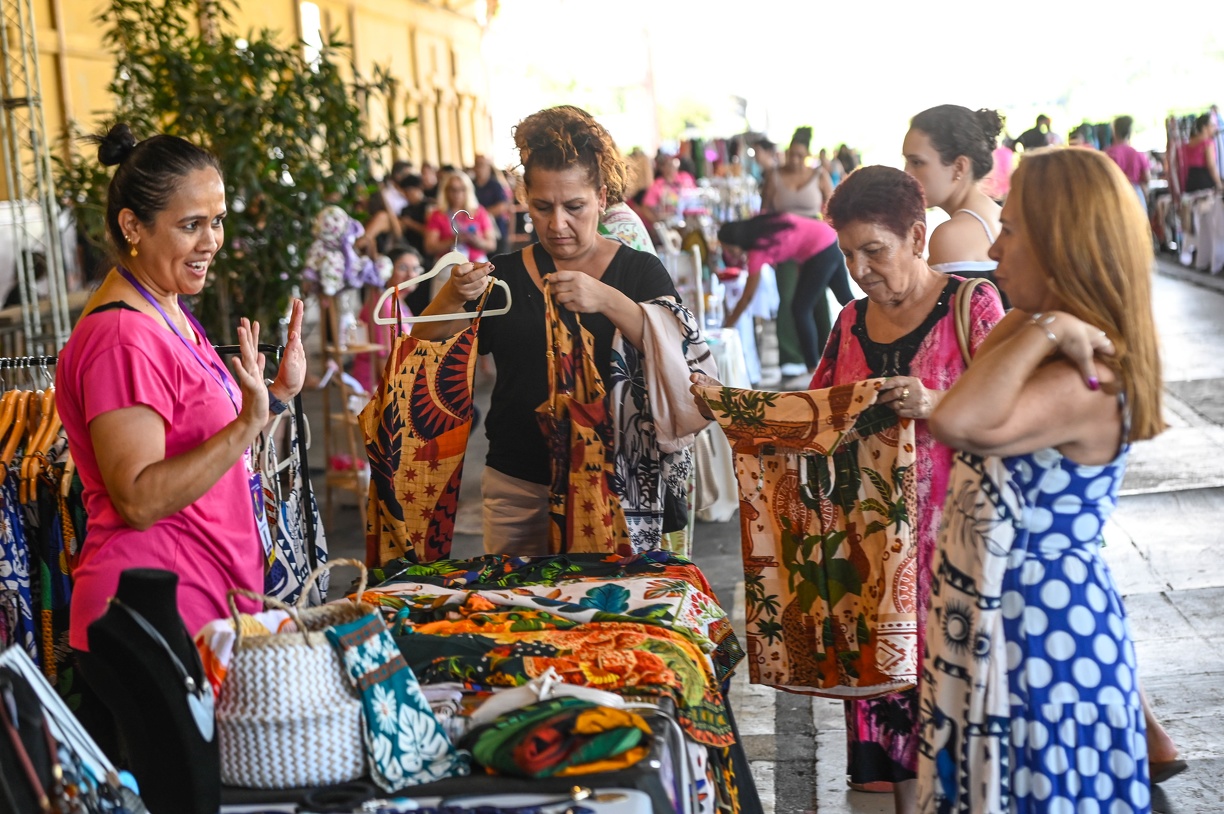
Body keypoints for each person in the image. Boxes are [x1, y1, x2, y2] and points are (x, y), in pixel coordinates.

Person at [918, 147, 1164, 813]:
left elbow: (954, 416)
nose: (995, 245)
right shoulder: (1045, 339)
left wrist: (1051, 319)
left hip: (1044, 631)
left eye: (1014, 228)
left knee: (1039, 789)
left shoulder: (1089, 376)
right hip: (1020, 616)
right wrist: (1041, 314)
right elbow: (972, 382)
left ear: (1062, 247)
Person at [56, 123, 307, 652]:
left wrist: (275, 396)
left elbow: (199, 445)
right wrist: (246, 424)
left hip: (199, 599)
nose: (211, 241)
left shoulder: (164, 302)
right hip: (158, 611)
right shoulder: (121, 336)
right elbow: (139, 499)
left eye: (216, 221)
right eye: (191, 225)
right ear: (133, 225)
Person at [810, 166, 1005, 813]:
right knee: (882, 759)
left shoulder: (970, 306)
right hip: (871, 582)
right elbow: (810, 419)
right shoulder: (847, 323)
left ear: (917, 237)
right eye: (848, 253)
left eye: (875, 250)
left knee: (948, 754)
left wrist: (934, 402)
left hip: (952, 571)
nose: (861, 268)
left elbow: (1008, 412)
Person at [410, 105, 682, 553]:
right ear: (524, 199)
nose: (558, 224)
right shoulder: (504, 277)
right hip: (517, 483)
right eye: (542, 207)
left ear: (601, 196)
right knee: (519, 616)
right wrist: (452, 296)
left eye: (574, 206)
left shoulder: (639, 272)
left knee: (611, 615)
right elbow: (419, 353)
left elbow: (678, 352)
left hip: (618, 484)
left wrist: (607, 300)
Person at [716, 212, 851, 378]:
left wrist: (728, 325)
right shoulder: (764, 225)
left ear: (738, 241)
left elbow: (747, 297)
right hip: (829, 238)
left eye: (729, 249)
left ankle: (812, 367)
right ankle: (858, 346)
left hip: (822, 248)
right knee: (846, 299)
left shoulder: (757, 250)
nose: (730, 255)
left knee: (800, 309)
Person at [904, 105, 1004, 289]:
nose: (907, 173)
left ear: (959, 167)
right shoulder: (998, 214)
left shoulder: (950, 236)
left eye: (917, 162)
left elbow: (943, 318)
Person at [352, 243, 423, 392]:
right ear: (388, 271)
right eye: (403, 268)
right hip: (378, 389)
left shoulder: (397, 301)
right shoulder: (383, 305)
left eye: (415, 269)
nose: (410, 274)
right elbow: (383, 357)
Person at [423, 169, 497, 295]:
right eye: (453, 189)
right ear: (445, 191)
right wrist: (455, 240)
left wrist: (475, 240)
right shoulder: (437, 215)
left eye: (462, 189)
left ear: (468, 191)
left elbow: (492, 244)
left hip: (476, 266)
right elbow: (430, 247)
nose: (457, 194)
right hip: (447, 269)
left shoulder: (479, 212)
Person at [764, 126, 833, 218]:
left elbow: (832, 210)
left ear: (808, 154)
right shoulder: (774, 175)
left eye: (800, 156)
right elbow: (764, 209)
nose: (794, 160)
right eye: (791, 154)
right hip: (782, 228)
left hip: (812, 229)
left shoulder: (820, 175)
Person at [1105, 115, 1152, 207]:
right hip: (1135, 195)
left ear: (1115, 131)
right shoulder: (1137, 154)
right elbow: (1147, 178)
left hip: (1114, 196)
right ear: (1129, 132)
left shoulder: (1107, 154)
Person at [472, 154, 512, 256]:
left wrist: (481, 216)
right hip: (476, 234)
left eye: (482, 165)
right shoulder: (471, 185)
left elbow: (503, 206)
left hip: (496, 231)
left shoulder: (495, 186)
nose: (479, 168)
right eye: (477, 165)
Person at [1178, 112, 1222, 194]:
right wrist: (1219, 183)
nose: (1214, 128)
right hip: (1204, 182)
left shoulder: (1187, 144)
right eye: (1212, 125)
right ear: (1204, 127)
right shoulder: (1208, 143)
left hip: (1190, 181)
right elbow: (1211, 165)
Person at [980, 135, 1015, 204]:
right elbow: (1010, 172)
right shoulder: (1008, 153)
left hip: (988, 192)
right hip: (1003, 193)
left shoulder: (991, 153)